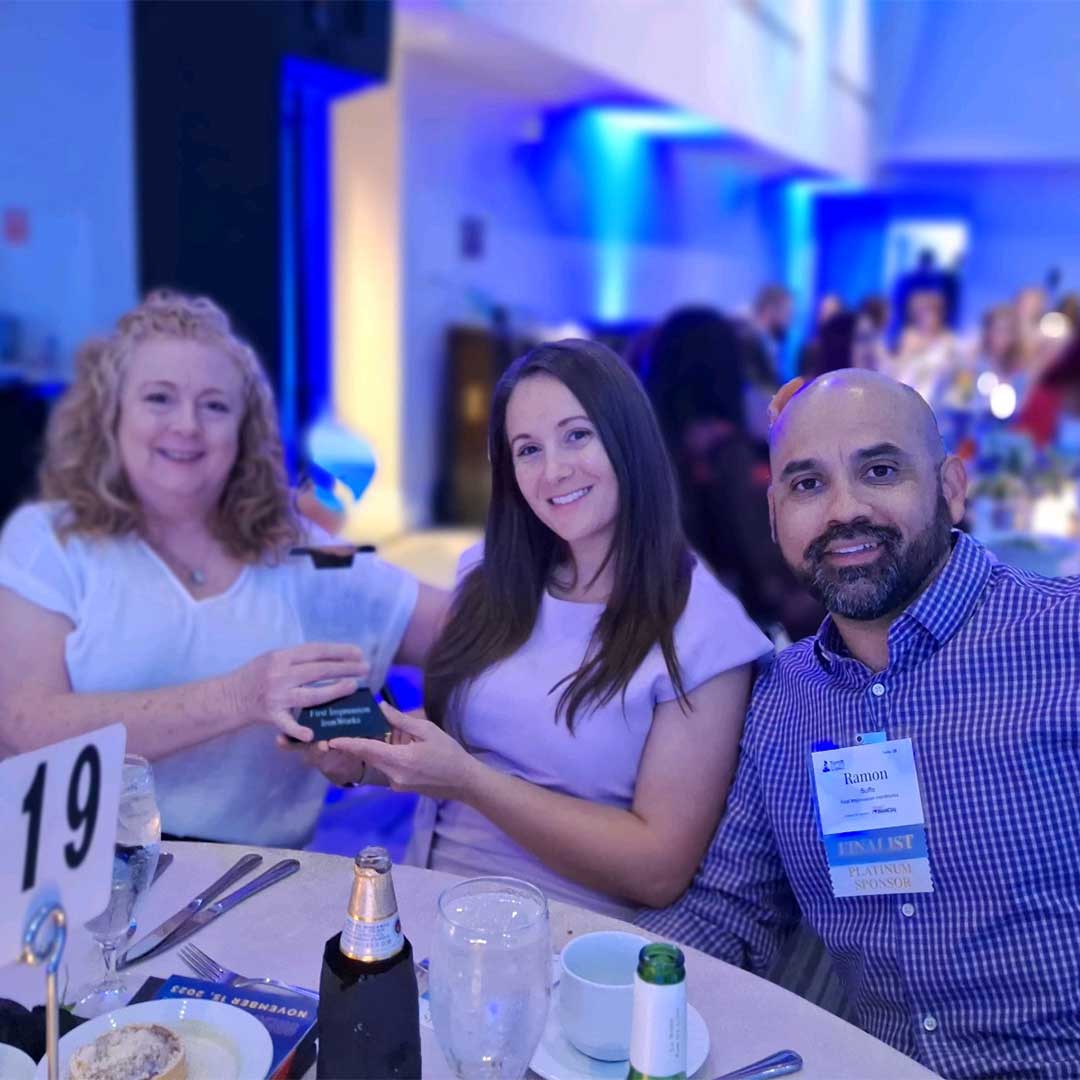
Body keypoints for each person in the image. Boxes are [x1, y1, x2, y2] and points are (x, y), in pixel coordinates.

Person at [638, 368, 1080, 1078]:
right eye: (808, 484)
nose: (844, 510)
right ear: (776, 516)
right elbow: (728, 912)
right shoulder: (784, 700)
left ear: (952, 489)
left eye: (879, 470)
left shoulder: (1062, 637)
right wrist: (579, 971)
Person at [308, 340, 771, 917]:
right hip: (429, 904)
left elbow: (657, 869)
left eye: (577, 435)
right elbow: (468, 741)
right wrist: (359, 757)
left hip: (574, 942)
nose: (553, 470)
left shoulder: (706, 633)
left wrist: (471, 783)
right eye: (527, 449)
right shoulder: (491, 574)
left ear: (628, 437)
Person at [0, 291, 447, 847]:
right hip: (78, 878)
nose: (187, 425)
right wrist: (239, 697)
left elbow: (469, 634)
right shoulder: (49, 539)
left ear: (245, 431)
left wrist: (389, 750)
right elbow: (26, 726)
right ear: (110, 413)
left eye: (215, 406)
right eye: (159, 398)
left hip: (256, 884)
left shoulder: (300, 551)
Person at [645, 307, 822, 642]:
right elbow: (760, 563)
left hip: (668, 616)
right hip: (743, 619)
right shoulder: (729, 450)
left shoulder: (643, 444)